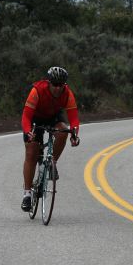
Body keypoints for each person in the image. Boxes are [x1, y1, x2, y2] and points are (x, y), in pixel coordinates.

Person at [21, 66, 80, 211]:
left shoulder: (67, 93)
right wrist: (28, 131)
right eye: (54, 84)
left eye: (61, 85)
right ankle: (27, 195)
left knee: (63, 131)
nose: (57, 88)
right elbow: (26, 116)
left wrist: (75, 135)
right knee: (31, 153)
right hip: (36, 118)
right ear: (49, 82)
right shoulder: (37, 90)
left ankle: (53, 162)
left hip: (53, 116)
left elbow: (74, 119)